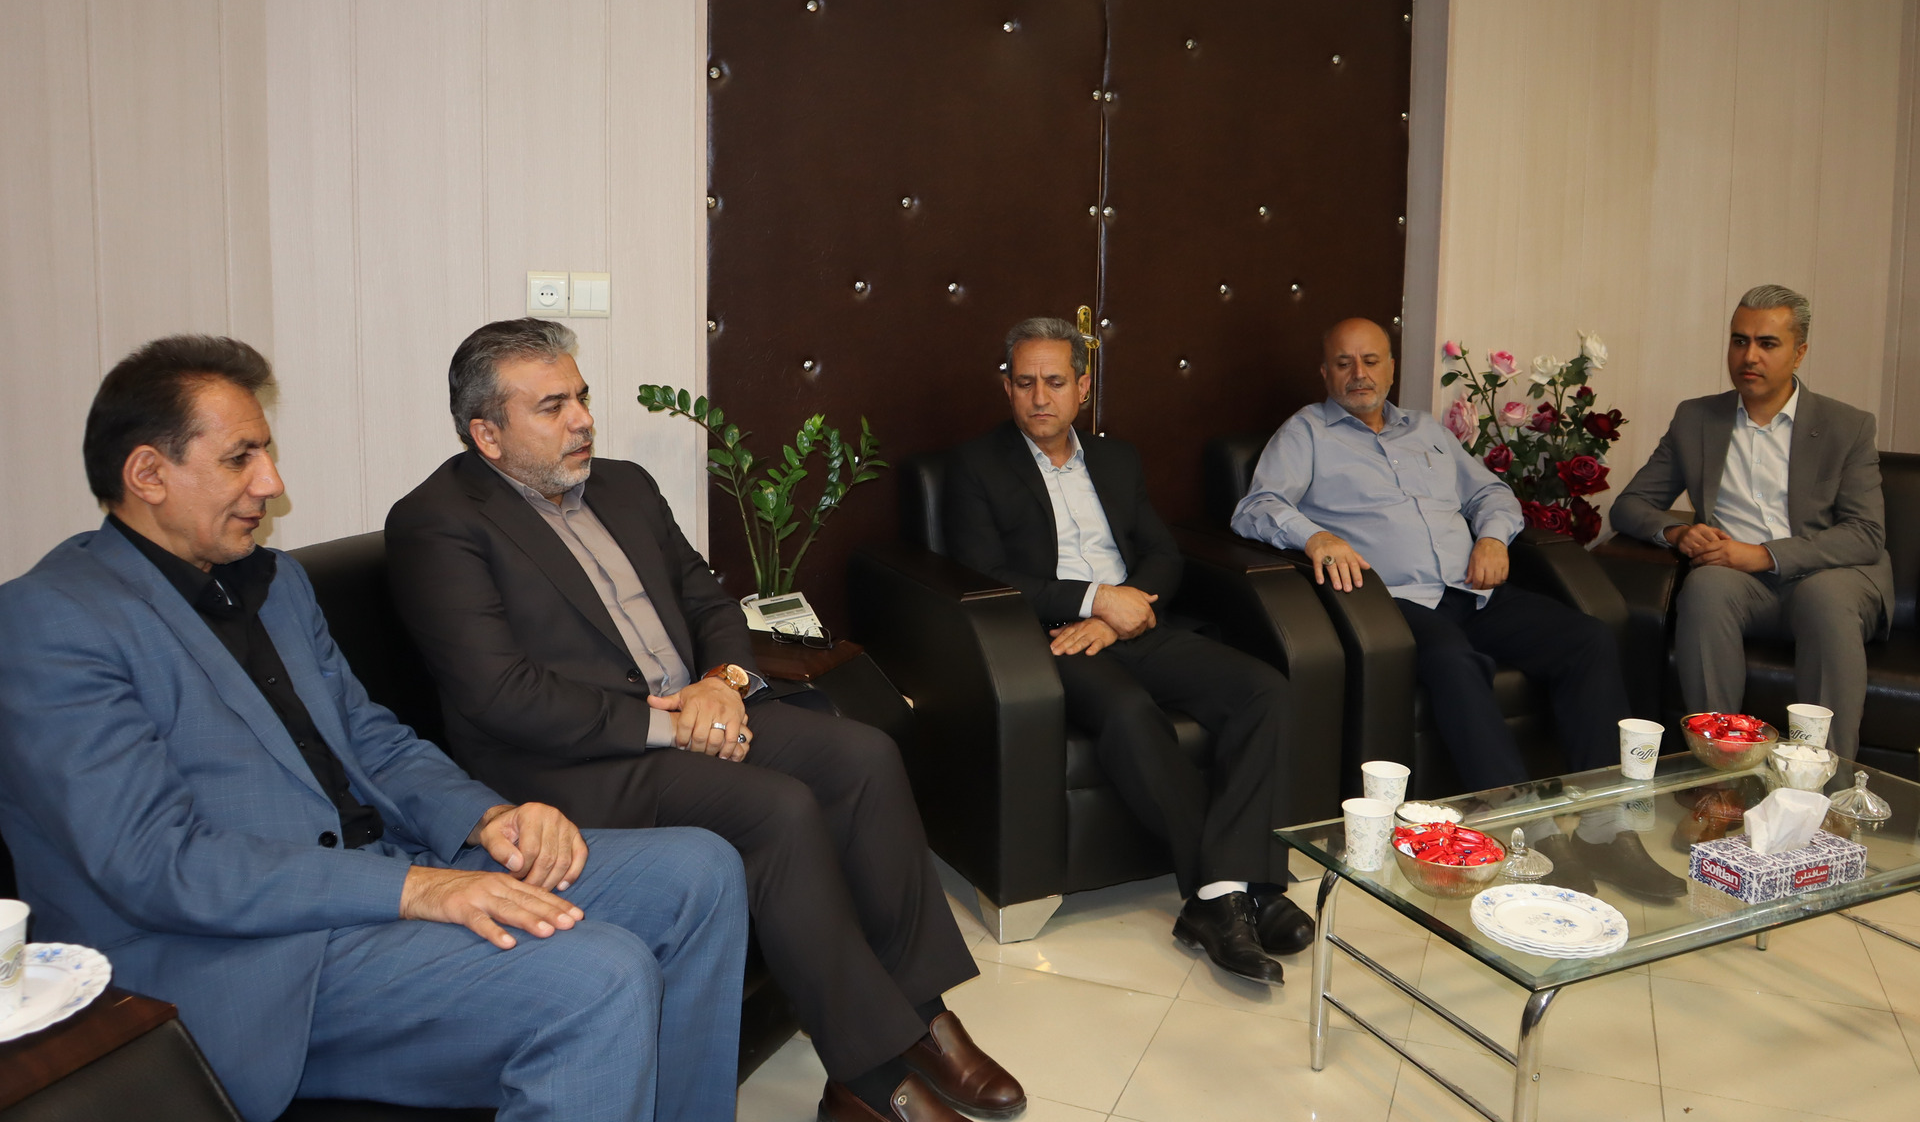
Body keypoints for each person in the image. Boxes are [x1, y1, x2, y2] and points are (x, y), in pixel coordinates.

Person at [0, 336, 746, 1122]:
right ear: (148, 474)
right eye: (240, 459)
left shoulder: (274, 583)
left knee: (699, 873)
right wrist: (416, 889)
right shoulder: (52, 622)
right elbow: (158, 864)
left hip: (383, 869)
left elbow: (371, 739)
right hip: (246, 961)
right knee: (598, 974)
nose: (272, 483)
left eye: (267, 452)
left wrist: (489, 818)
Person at [385, 319, 1017, 1122]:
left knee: (862, 757)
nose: (582, 419)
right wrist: (671, 725)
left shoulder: (625, 485)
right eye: (552, 407)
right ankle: (867, 1076)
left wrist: (723, 682)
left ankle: (922, 1015)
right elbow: (499, 693)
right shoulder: (438, 522)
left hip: (699, 712)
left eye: (581, 396)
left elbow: (709, 602)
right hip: (573, 765)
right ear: (487, 433)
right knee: (775, 808)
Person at [942, 317, 1316, 987]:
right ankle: (1236, 893)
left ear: (1082, 387)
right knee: (1128, 714)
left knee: (1264, 691)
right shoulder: (974, 467)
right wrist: (1093, 600)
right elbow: (986, 576)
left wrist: (1121, 615)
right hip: (1050, 641)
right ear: (1005, 388)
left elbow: (1163, 554)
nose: (1039, 397)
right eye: (1024, 383)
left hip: (1132, 626)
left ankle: (1225, 893)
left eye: (1055, 381)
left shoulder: (1116, 460)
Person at [1230, 319, 1662, 897]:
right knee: (1454, 660)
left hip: (1473, 589)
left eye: (1371, 360)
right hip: (1392, 603)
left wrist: (1492, 538)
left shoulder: (1427, 431)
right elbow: (1256, 507)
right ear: (1325, 372)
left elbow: (1491, 493)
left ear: (1391, 366)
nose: (1359, 374)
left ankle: (1606, 830)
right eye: (1344, 362)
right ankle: (1524, 831)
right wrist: (1316, 537)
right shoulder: (1306, 433)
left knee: (1587, 639)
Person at [1612, 285, 1892, 761]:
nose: (1749, 356)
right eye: (1739, 341)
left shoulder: (1848, 426)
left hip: (1831, 577)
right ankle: (1719, 768)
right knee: (1706, 586)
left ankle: (1825, 774)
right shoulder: (1697, 419)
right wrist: (1678, 532)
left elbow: (1865, 534)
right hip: (1741, 587)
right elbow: (1630, 504)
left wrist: (1764, 554)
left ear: (1799, 352)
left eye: (1767, 343)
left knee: (1823, 599)